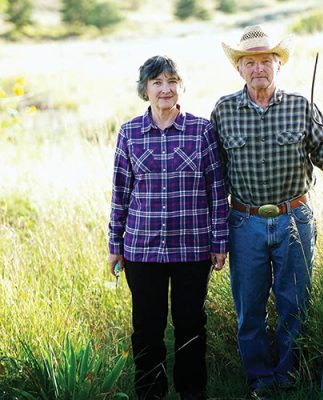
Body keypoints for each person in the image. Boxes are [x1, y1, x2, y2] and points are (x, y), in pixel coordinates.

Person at [211, 25, 323, 398]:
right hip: (244, 222)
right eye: (250, 62)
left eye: (266, 61)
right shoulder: (224, 111)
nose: (259, 68)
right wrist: (215, 231)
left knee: (294, 304)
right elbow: (216, 175)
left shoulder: (301, 106)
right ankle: (260, 380)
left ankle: (288, 377)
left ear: (278, 64)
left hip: (295, 219)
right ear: (239, 69)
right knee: (249, 309)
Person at [108, 55, 229, 400]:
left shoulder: (202, 130)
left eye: (172, 81)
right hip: (143, 250)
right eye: (157, 82)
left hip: (192, 249)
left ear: (180, 87)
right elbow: (120, 193)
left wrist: (220, 241)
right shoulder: (129, 133)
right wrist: (114, 244)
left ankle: (192, 392)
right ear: (145, 89)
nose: (165, 89)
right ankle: (150, 393)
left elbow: (217, 190)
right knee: (147, 329)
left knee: (191, 325)